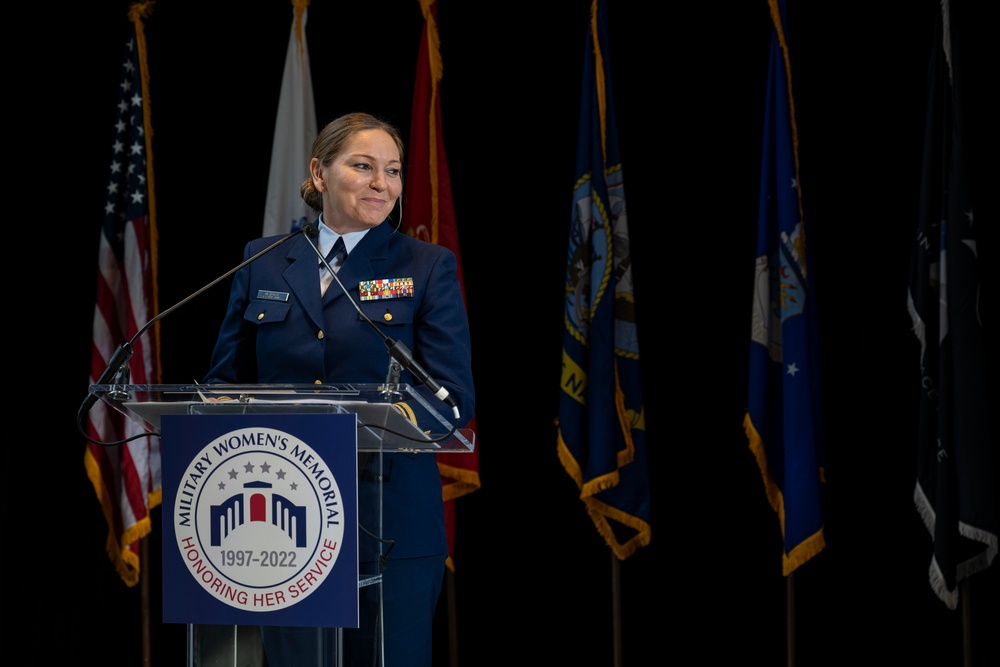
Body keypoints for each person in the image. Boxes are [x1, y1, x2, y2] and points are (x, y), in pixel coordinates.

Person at [202, 112, 475, 666]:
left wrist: (370, 420)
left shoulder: (425, 266)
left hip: (390, 520)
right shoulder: (264, 260)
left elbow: (452, 397)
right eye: (363, 166)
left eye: (393, 171)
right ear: (319, 173)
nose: (383, 184)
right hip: (282, 522)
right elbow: (221, 386)